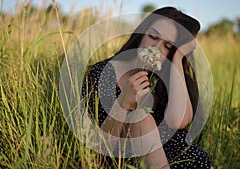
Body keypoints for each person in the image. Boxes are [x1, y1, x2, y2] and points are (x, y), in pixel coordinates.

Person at [82, 6, 212, 169]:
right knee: (141, 116)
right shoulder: (104, 74)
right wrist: (123, 103)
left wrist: (177, 58)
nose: (155, 49)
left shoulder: (168, 74)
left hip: (185, 160)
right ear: (142, 33)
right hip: (132, 162)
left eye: (168, 47)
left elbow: (177, 121)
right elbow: (102, 148)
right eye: (152, 36)